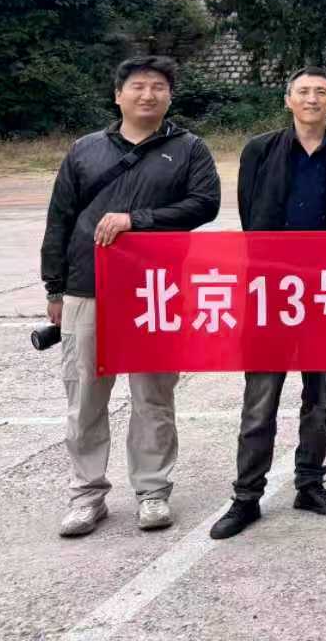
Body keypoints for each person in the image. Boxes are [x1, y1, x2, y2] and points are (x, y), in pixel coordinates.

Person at [40, 56, 222, 538]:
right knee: (85, 396)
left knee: (153, 396)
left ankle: (152, 491)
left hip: (155, 292)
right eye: (138, 86)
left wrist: (136, 220)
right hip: (88, 288)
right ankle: (86, 495)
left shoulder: (189, 149)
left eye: (158, 87)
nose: (148, 94)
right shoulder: (85, 150)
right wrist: (54, 286)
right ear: (118, 95)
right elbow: (59, 219)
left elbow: (205, 204)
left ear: (169, 96)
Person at [211, 67, 326, 540]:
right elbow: (250, 215)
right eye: (303, 91)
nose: (312, 98)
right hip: (270, 289)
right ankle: (246, 496)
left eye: (321, 92)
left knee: (319, 396)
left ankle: (310, 483)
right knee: (260, 399)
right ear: (288, 100)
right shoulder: (259, 150)